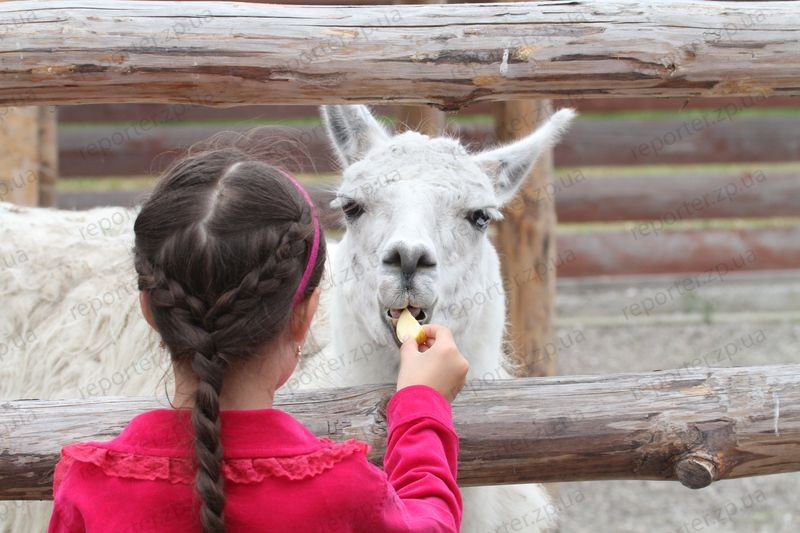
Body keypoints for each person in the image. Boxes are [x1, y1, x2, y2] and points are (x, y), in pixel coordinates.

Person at [48, 144, 469, 533]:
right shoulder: (342, 490)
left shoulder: (89, 486)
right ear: (304, 315)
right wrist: (421, 403)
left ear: (149, 310)